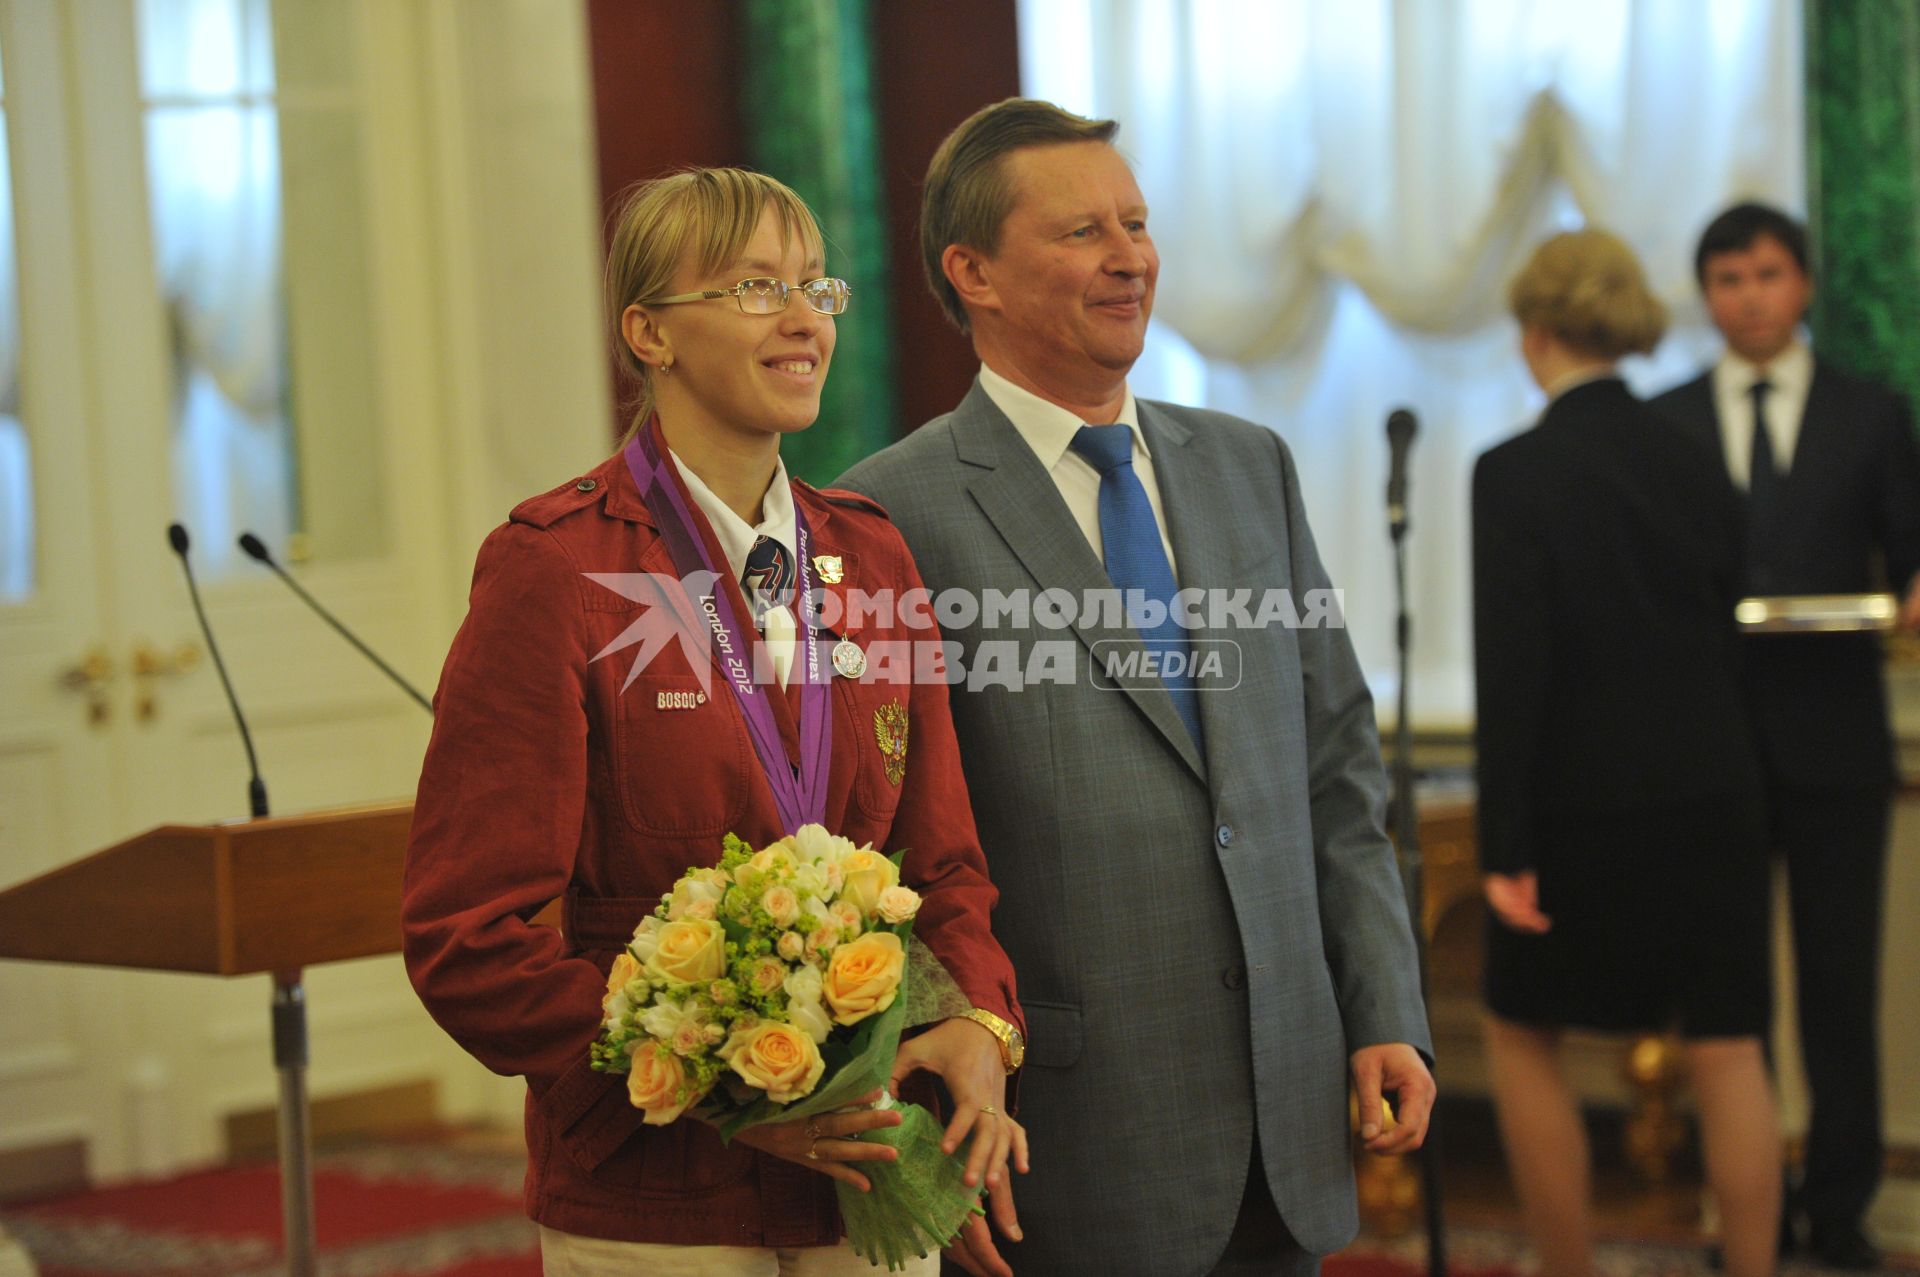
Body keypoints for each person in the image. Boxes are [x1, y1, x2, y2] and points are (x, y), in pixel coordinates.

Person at [836, 98, 1435, 1277]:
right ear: (975, 273)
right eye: (1081, 233)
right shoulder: (887, 513)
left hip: (1290, 1110)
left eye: (1138, 223)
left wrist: (1382, 1007)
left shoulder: (1248, 464)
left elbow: (1335, 769)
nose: (1130, 258)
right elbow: (878, 851)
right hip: (1063, 1140)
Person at [402, 167, 1028, 1277]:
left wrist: (979, 1024)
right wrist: (720, 1086)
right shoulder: (558, 569)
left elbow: (945, 861)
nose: (802, 320)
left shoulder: (871, 555)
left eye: (815, 288)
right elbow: (468, 939)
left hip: (868, 1168)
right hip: (653, 1187)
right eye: (752, 287)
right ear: (649, 332)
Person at [1473, 228, 1781, 1277]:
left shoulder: (1513, 472)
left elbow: (1513, 674)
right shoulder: (1702, 459)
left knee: (1521, 1034)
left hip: (1579, 807)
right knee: (1731, 1048)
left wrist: (1503, 840)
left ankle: (1566, 1267)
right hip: (1718, 789)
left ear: (1538, 335)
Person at [1650, 202, 1920, 1269]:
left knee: (1839, 981)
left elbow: (1907, 550)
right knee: (1729, 990)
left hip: (1840, 741)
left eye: (1765, 273)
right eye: (1725, 278)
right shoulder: (1665, 420)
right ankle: (1747, 1207)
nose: (1748, 295)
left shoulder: (1873, 411)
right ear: (1705, 294)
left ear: (1801, 283)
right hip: (1710, 742)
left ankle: (1840, 1205)